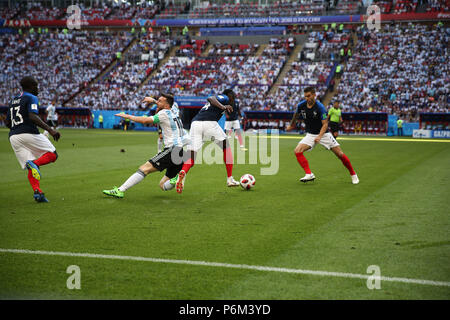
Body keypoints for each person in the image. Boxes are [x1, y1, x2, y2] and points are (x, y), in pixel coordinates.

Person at [103, 93, 189, 198]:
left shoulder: (164, 114)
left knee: (144, 169)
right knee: (162, 185)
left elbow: (145, 120)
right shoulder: (174, 109)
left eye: (160, 101)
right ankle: (176, 179)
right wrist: (153, 100)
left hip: (172, 150)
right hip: (181, 152)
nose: (158, 102)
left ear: (166, 105)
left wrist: (128, 116)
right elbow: (167, 103)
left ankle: (120, 190)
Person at [286, 87, 359, 184]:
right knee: (297, 151)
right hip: (311, 134)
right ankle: (309, 174)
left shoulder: (320, 107)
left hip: (324, 134)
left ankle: (353, 175)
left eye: (309, 96)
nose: (307, 98)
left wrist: (320, 136)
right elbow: (296, 114)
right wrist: (291, 125)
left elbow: (325, 124)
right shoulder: (301, 105)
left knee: (340, 154)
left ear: (314, 95)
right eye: (305, 96)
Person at [5, 77, 61, 202]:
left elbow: (7, 122)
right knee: (53, 154)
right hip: (28, 132)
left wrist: (17, 128)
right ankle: (35, 164)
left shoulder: (13, 100)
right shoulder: (31, 97)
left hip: (13, 136)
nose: (38, 88)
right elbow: (32, 116)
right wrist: (51, 130)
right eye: (36, 86)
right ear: (30, 86)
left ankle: (38, 192)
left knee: (31, 166)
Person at [175, 89, 240, 194]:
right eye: (233, 98)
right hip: (208, 123)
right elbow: (211, 98)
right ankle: (230, 178)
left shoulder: (220, 103)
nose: (233, 101)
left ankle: (183, 172)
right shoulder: (225, 97)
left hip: (195, 124)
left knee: (191, 155)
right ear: (230, 96)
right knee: (226, 146)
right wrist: (223, 106)